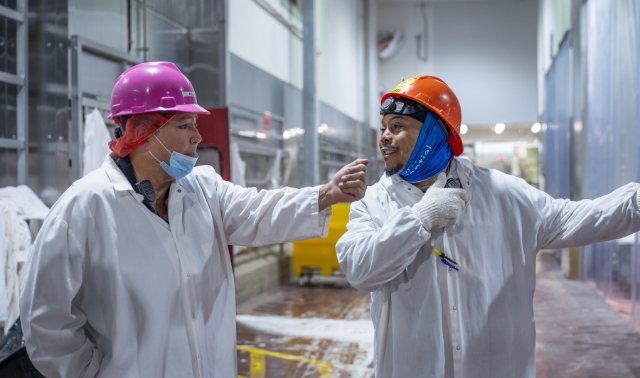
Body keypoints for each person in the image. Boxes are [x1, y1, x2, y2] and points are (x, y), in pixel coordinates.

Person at [19, 61, 369, 378]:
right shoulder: (84, 208)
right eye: (184, 125)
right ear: (142, 131)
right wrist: (92, 373)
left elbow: (259, 210)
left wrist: (327, 193)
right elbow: (45, 321)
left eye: (195, 124)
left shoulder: (204, 189)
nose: (197, 138)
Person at [336, 76, 640, 377]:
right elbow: (359, 270)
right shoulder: (373, 203)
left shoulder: (504, 194)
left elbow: (582, 218)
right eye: (384, 127)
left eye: (397, 127)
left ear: (433, 132)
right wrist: (420, 219)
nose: (384, 137)